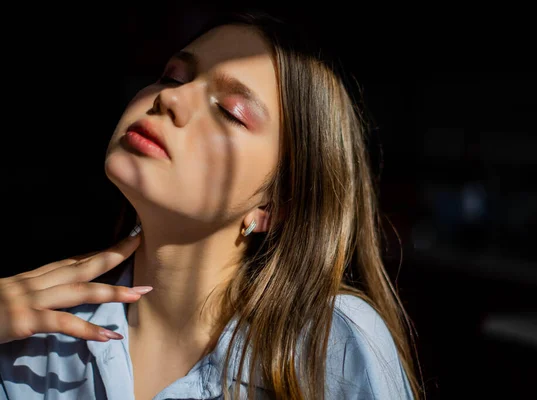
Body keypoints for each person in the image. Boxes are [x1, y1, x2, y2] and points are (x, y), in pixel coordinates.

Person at [0, 10, 420, 400]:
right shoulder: (32, 333)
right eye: (173, 77)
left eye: (230, 111)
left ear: (276, 205)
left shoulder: (331, 346)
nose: (170, 100)